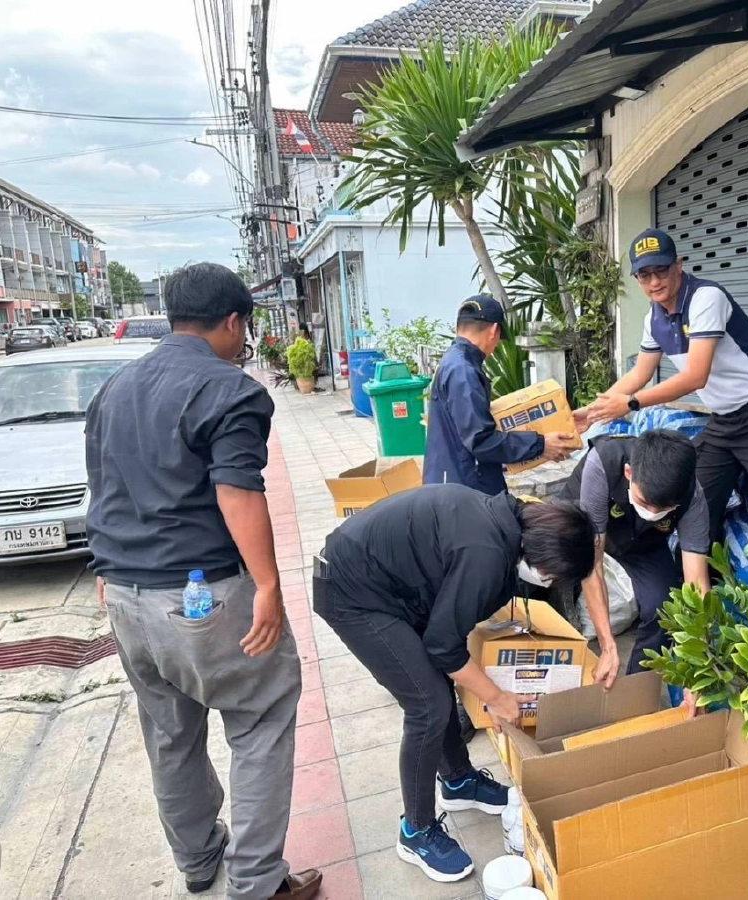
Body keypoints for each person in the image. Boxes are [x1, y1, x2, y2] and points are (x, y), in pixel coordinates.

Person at [85, 263, 321, 900]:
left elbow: (101, 490)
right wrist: (268, 587)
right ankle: (256, 884)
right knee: (262, 717)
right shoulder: (231, 390)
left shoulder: (115, 388)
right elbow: (238, 490)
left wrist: (105, 569)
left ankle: (199, 865)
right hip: (203, 597)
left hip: (126, 599)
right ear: (234, 321)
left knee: (170, 736)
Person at [314, 485, 594, 883]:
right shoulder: (486, 554)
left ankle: (458, 781)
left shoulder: (512, 520)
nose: (549, 584)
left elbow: (446, 637)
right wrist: (496, 697)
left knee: (436, 686)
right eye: (554, 577)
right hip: (351, 591)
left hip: (391, 584)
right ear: (544, 561)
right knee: (426, 704)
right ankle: (416, 830)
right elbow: (444, 647)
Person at [577, 228, 748, 548]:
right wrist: (591, 412)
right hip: (725, 419)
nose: (654, 282)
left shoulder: (706, 298)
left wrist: (630, 404)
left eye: (661, 270)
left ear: (678, 265)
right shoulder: (653, 319)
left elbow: (695, 376)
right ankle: (704, 590)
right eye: (644, 275)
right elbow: (640, 374)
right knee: (698, 498)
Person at [560, 430, 712, 686]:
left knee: (663, 603)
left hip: (643, 541)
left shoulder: (692, 497)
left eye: (662, 509)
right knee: (553, 572)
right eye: (645, 501)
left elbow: (697, 584)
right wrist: (608, 647)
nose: (651, 512)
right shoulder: (604, 464)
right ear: (629, 474)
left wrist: (699, 669)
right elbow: (593, 564)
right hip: (584, 529)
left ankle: (637, 688)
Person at [424, 295, 576, 494]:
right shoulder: (464, 371)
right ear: (494, 330)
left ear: (458, 328)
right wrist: (540, 444)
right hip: (464, 489)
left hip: (451, 480)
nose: (496, 348)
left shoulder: (453, 362)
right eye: (499, 340)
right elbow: (480, 440)